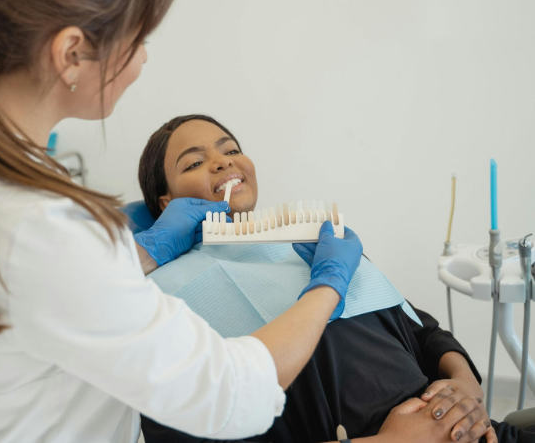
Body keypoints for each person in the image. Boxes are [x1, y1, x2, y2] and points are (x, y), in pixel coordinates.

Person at [0, 0, 430, 442]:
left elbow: (65, 303)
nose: (144, 60)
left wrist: (138, 255)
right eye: (138, 37)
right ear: (71, 53)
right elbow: (230, 394)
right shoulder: (44, 230)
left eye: (228, 147)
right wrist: (329, 286)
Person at [136, 114, 533, 443]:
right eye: (193, 163)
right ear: (167, 202)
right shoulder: (161, 300)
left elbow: (419, 327)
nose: (223, 162)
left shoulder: (318, 243)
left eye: (231, 149)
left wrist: (463, 382)